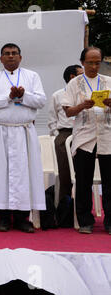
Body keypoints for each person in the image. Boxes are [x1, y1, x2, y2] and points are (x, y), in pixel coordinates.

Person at [0, 43, 46, 233]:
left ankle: (22, 218)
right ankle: (3, 217)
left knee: (24, 175)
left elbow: (41, 100)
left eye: (14, 53)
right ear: (1, 58)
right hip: (0, 131)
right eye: (7, 54)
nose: (11, 56)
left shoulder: (32, 76)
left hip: (23, 132)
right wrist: (8, 97)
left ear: (20, 57)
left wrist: (24, 95)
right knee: (1, 174)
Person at [61, 47, 111, 234]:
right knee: (83, 181)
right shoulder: (74, 84)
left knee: (109, 182)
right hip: (84, 136)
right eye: (90, 62)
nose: (94, 66)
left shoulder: (108, 81)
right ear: (82, 62)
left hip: (107, 135)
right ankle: (85, 221)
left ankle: (110, 222)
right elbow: (67, 111)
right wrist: (83, 105)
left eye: (97, 62)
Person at [47, 64, 83, 201]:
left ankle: (82, 204)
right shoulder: (58, 95)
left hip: (84, 132)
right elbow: (52, 119)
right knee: (65, 172)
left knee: (84, 171)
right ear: (72, 77)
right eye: (81, 74)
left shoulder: (86, 94)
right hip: (65, 133)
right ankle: (65, 205)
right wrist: (57, 135)